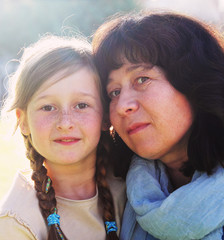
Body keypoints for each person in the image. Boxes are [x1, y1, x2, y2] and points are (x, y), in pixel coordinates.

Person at [92, 12, 224, 240]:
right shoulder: (113, 195)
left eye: (142, 79)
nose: (123, 106)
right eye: (114, 92)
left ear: (193, 79)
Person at [0, 35, 126, 240]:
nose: (65, 122)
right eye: (48, 107)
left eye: (81, 105)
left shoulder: (130, 190)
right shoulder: (16, 221)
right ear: (23, 120)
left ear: (105, 117)